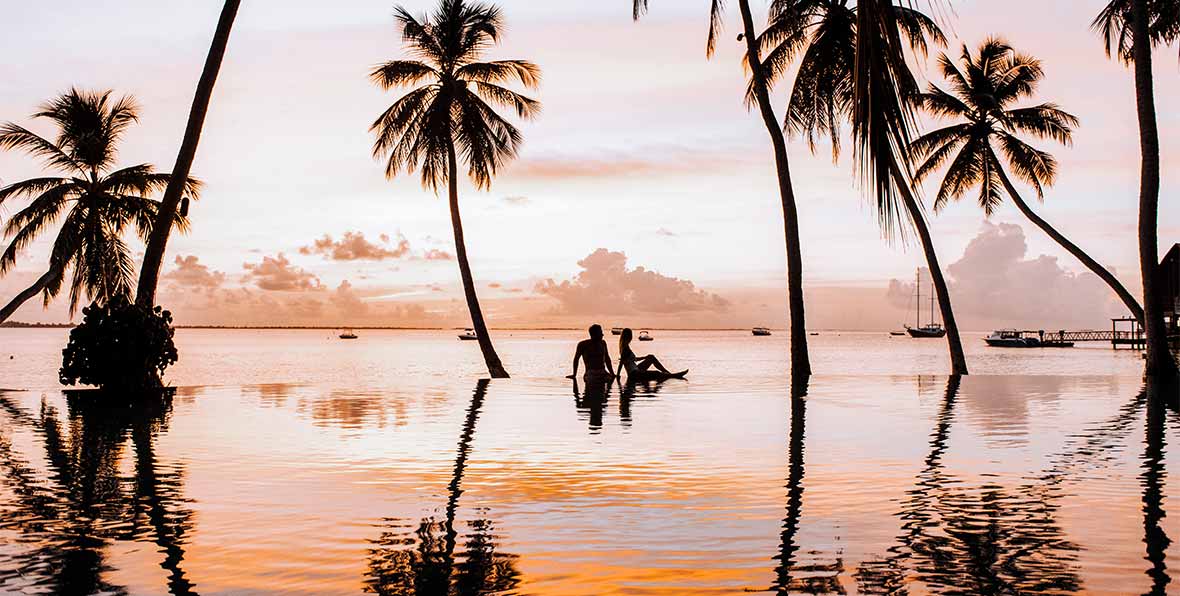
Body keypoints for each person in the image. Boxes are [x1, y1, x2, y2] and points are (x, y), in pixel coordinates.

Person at [618, 328, 686, 380]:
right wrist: (617, 375)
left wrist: (645, 357)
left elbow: (634, 359)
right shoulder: (625, 349)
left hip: (636, 370)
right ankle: (672, 376)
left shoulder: (626, 347)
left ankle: (667, 373)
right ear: (628, 336)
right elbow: (621, 363)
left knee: (651, 357)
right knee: (656, 373)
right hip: (634, 374)